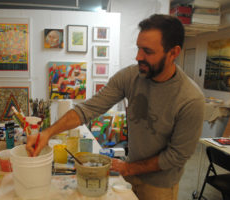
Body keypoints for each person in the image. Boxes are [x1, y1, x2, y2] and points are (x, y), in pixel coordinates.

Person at [26, 14, 205, 200]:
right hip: (129, 174)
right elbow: (88, 109)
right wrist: (47, 133)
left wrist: (128, 167)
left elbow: (176, 156)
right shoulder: (130, 76)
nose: (138, 57)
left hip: (159, 186)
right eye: (138, 48)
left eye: (148, 51)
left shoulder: (190, 100)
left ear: (174, 53)